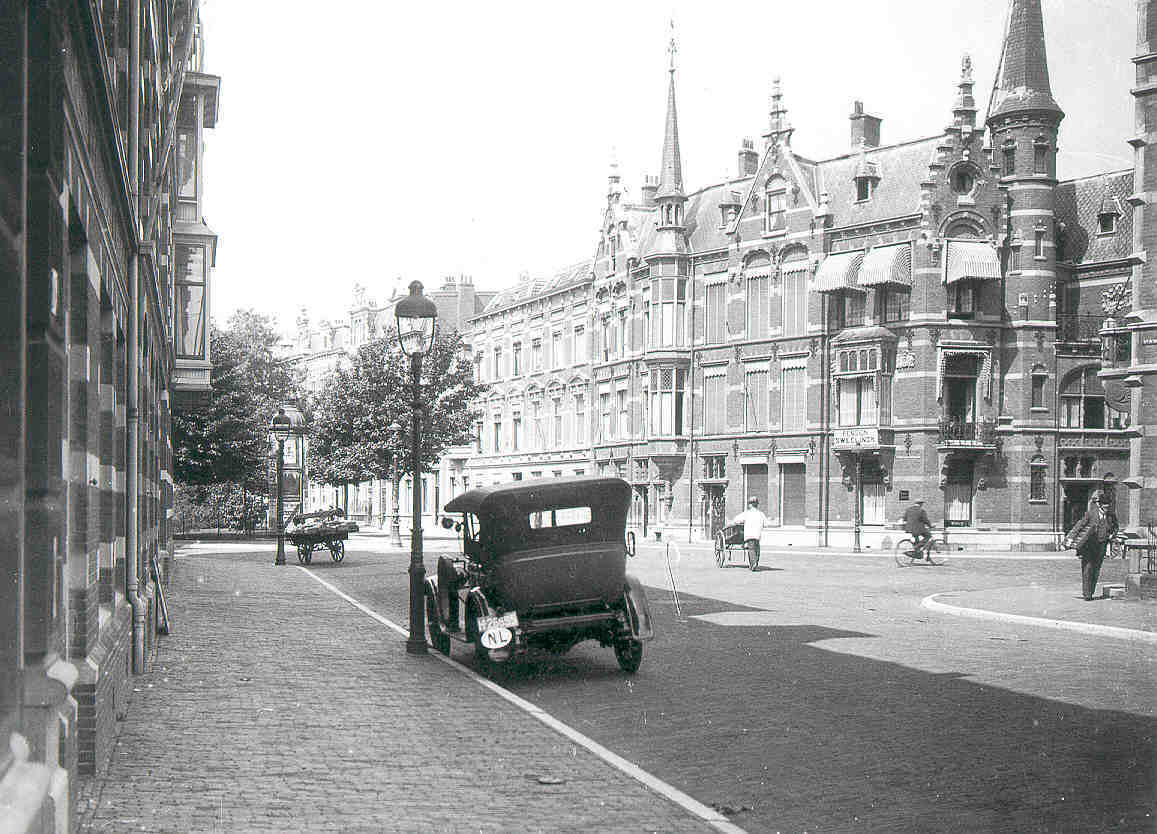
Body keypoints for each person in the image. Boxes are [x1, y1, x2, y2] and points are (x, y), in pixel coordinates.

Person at [1063, 489, 1119, 601]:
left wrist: (1111, 535)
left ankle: (1091, 591)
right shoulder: (1091, 513)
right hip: (1089, 546)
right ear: (1099, 504)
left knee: (1096, 569)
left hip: (1101, 546)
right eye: (1104, 504)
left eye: (1108, 504)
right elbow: (1079, 525)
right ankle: (1087, 594)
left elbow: (1115, 527)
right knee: (1087, 568)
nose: (1107, 507)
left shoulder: (1111, 516)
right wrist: (1069, 538)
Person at [729, 497, 768, 571]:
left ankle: (753, 564)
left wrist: (734, 522)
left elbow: (736, 520)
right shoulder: (761, 514)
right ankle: (755, 562)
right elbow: (766, 523)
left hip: (749, 534)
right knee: (757, 549)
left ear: (750, 505)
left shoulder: (747, 513)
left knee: (751, 549)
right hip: (757, 534)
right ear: (757, 505)